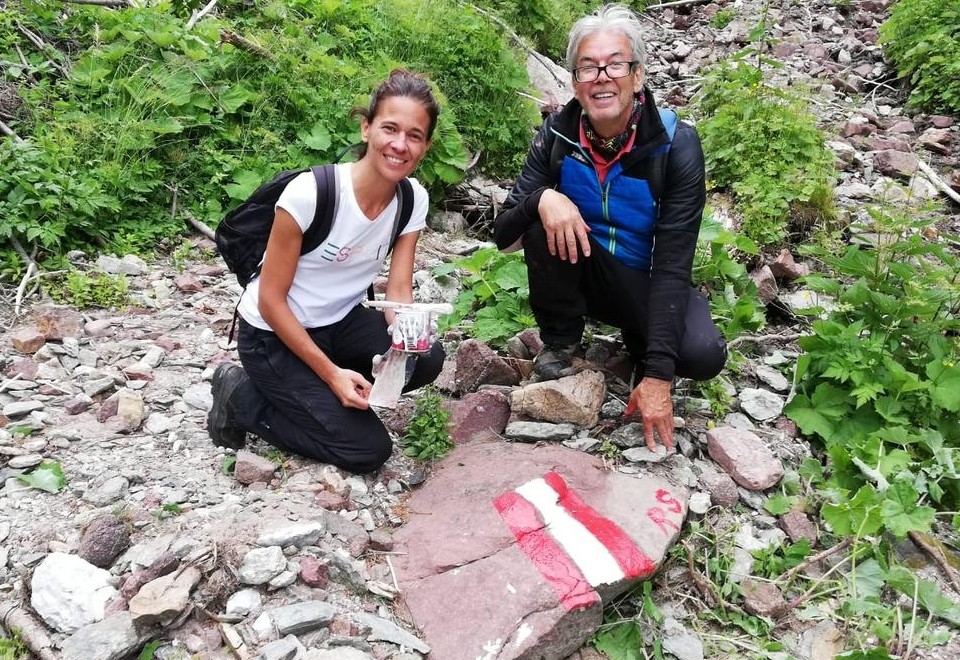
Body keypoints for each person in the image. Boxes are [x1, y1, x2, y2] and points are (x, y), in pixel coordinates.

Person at [493, 4, 726, 452]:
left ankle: (642, 345)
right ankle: (561, 343)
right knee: (541, 220)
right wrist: (544, 198)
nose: (601, 76)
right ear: (574, 82)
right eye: (587, 67)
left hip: (648, 280)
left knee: (701, 354)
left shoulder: (676, 145)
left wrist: (659, 374)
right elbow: (504, 234)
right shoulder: (556, 138)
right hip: (585, 269)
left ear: (637, 75)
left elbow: (674, 263)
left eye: (615, 64)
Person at [207, 69, 445, 474]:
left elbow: (399, 286)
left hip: (339, 321)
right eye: (390, 128)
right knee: (366, 450)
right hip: (272, 335)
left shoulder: (411, 199)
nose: (400, 145)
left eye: (415, 135)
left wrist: (404, 337)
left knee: (425, 358)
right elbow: (270, 301)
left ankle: (312, 386)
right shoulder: (312, 194)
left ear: (425, 145)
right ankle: (241, 396)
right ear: (366, 128)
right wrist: (331, 375)